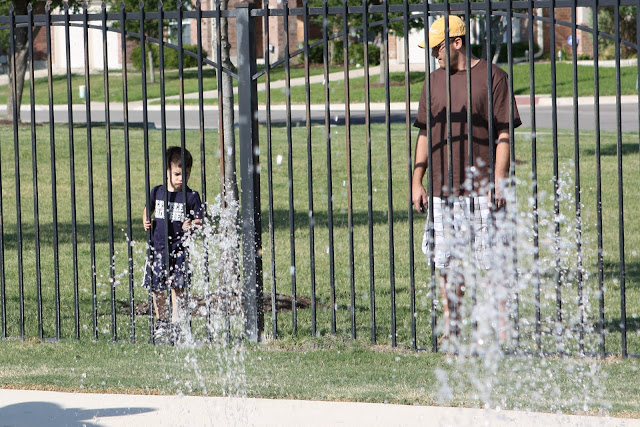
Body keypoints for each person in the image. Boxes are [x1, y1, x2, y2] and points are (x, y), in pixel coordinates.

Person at [412, 15, 522, 343]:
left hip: (483, 189)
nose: (434, 54)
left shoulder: (494, 77)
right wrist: (417, 179)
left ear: (457, 43)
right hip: (442, 190)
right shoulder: (433, 82)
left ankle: (502, 332)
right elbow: (424, 134)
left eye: (437, 48)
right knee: (447, 264)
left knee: (493, 262)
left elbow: (504, 133)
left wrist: (498, 179)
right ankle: (453, 330)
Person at [143, 146, 203, 343]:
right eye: (177, 174)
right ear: (167, 171)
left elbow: (200, 220)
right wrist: (146, 220)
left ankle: (176, 323)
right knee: (156, 286)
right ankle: (161, 322)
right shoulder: (158, 192)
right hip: (158, 248)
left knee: (178, 286)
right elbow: (147, 209)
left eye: (186, 174)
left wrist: (192, 224)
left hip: (179, 249)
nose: (181, 179)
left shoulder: (191, 196)